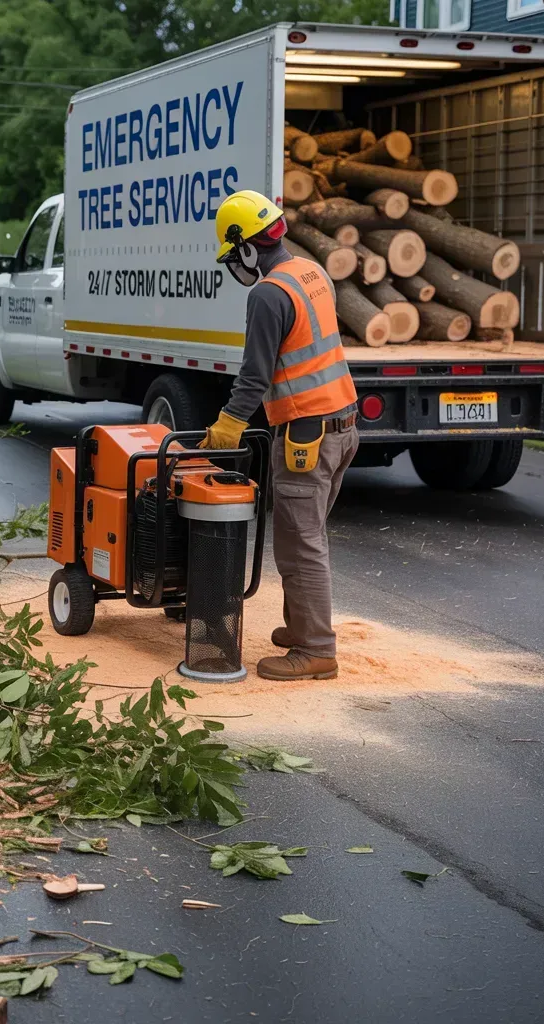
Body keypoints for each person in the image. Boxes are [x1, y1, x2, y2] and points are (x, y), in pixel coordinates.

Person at [201, 190, 358, 681]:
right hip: (343, 423)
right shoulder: (311, 272)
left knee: (298, 543)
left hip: (306, 434)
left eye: (233, 257)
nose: (235, 268)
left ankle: (315, 649)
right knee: (305, 535)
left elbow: (254, 376)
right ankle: (300, 626)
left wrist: (229, 423)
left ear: (246, 247)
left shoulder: (267, 294)